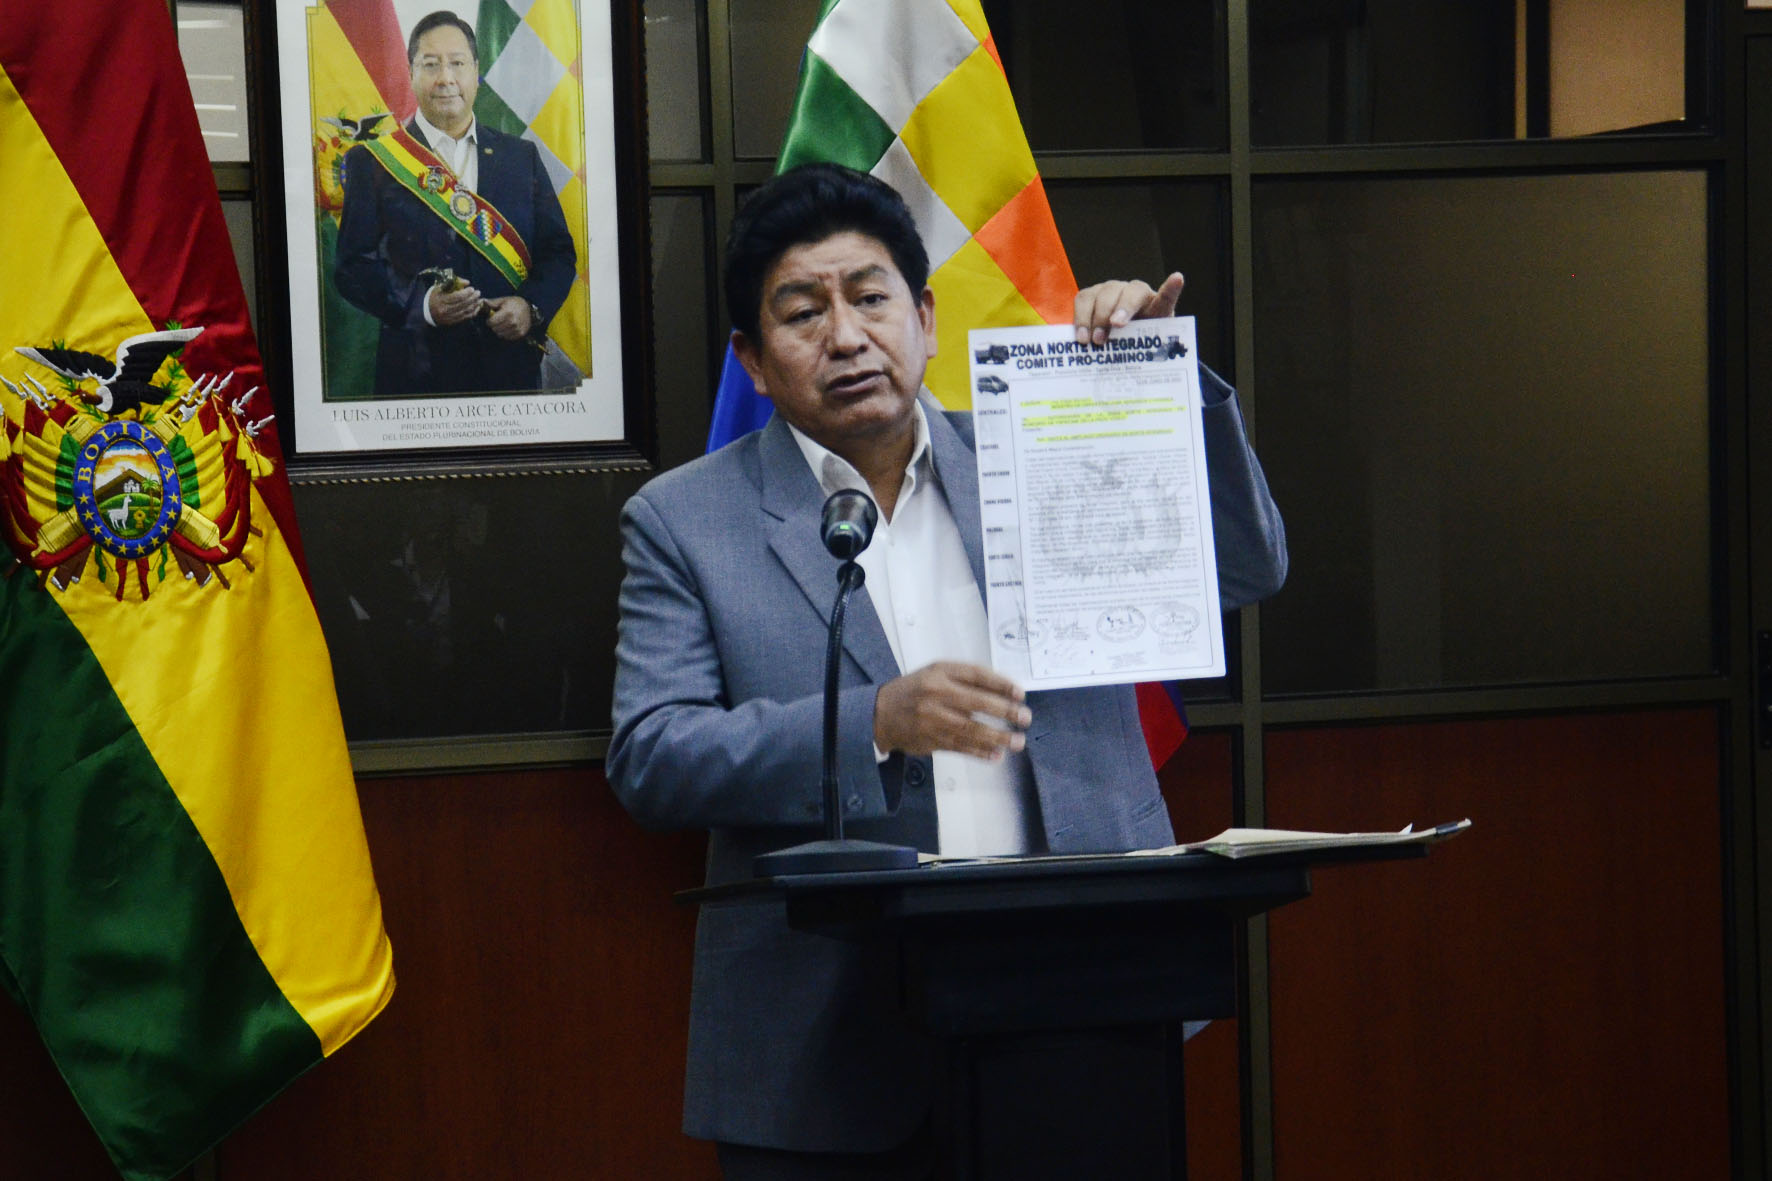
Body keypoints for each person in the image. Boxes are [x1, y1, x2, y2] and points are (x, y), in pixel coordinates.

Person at [607, 163, 1287, 1178]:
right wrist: (876, 719)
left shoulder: (1044, 450)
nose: (846, 336)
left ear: (925, 318)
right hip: (828, 1045)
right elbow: (652, 755)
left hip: (1085, 998)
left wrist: (1158, 387)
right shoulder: (683, 520)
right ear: (752, 359)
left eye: (870, 297)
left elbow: (1248, 568)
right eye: (803, 312)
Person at [333, 11, 576, 396]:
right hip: (414, 377)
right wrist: (423, 305)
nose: (445, 78)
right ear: (411, 73)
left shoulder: (521, 157)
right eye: (431, 64)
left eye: (458, 63)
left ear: (476, 72)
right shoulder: (372, 162)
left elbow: (559, 253)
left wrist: (530, 308)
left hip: (509, 374)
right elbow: (352, 268)